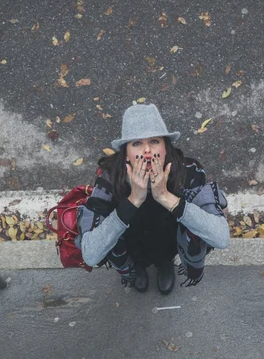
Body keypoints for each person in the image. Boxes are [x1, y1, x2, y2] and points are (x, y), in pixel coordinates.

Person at [76, 104, 230, 295]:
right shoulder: (110, 177)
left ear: (166, 146)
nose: (147, 151)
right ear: (126, 152)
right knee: (118, 244)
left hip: (169, 240)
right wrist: (133, 201)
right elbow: (90, 254)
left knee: (176, 243)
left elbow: (221, 237)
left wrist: (165, 197)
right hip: (130, 243)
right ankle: (133, 269)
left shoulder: (187, 171)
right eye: (137, 143)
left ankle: (165, 264)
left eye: (155, 141)